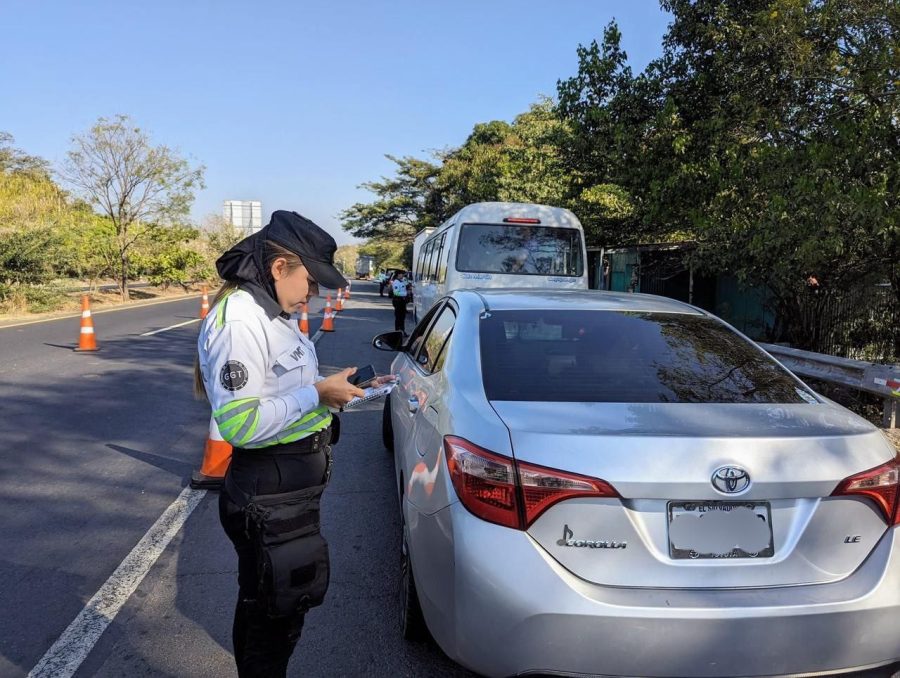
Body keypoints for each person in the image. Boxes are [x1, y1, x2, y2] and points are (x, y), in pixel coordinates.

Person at [195, 210, 393, 678]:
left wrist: (340, 390)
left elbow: (286, 393)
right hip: (267, 492)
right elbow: (241, 425)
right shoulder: (241, 320)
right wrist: (317, 394)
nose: (316, 293)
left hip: (287, 492)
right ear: (279, 266)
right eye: (311, 279)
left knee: (276, 605)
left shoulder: (274, 313)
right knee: (274, 614)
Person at [390, 270, 410, 335]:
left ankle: (402, 331)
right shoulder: (396, 282)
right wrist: (406, 293)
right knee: (398, 317)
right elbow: (396, 293)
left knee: (402, 317)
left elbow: (407, 285)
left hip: (402, 301)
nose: (403, 275)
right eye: (402, 274)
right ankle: (397, 332)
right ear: (398, 274)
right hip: (398, 301)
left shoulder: (402, 281)